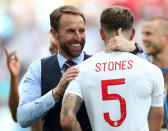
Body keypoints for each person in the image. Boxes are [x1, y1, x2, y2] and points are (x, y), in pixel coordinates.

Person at [17, 5, 150, 131]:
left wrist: (135, 49)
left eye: (81, 31)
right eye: (71, 31)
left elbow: (151, 79)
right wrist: (56, 93)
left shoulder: (100, 64)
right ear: (54, 33)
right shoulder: (38, 68)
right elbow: (23, 117)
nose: (78, 37)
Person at [60, 6, 164, 131]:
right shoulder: (151, 70)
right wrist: (137, 50)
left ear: (101, 34)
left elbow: (67, 120)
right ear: (132, 34)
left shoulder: (81, 70)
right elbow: (157, 117)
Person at [3, 35, 58, 131]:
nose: (54, 41)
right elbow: (16, 116)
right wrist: (14, 77)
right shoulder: (37, 71)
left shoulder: (78, 71)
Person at [141, 16, 168, 129]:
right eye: (143, 34)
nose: (143, 39)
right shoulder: (143, 72)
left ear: (165, 38)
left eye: (148, 34)